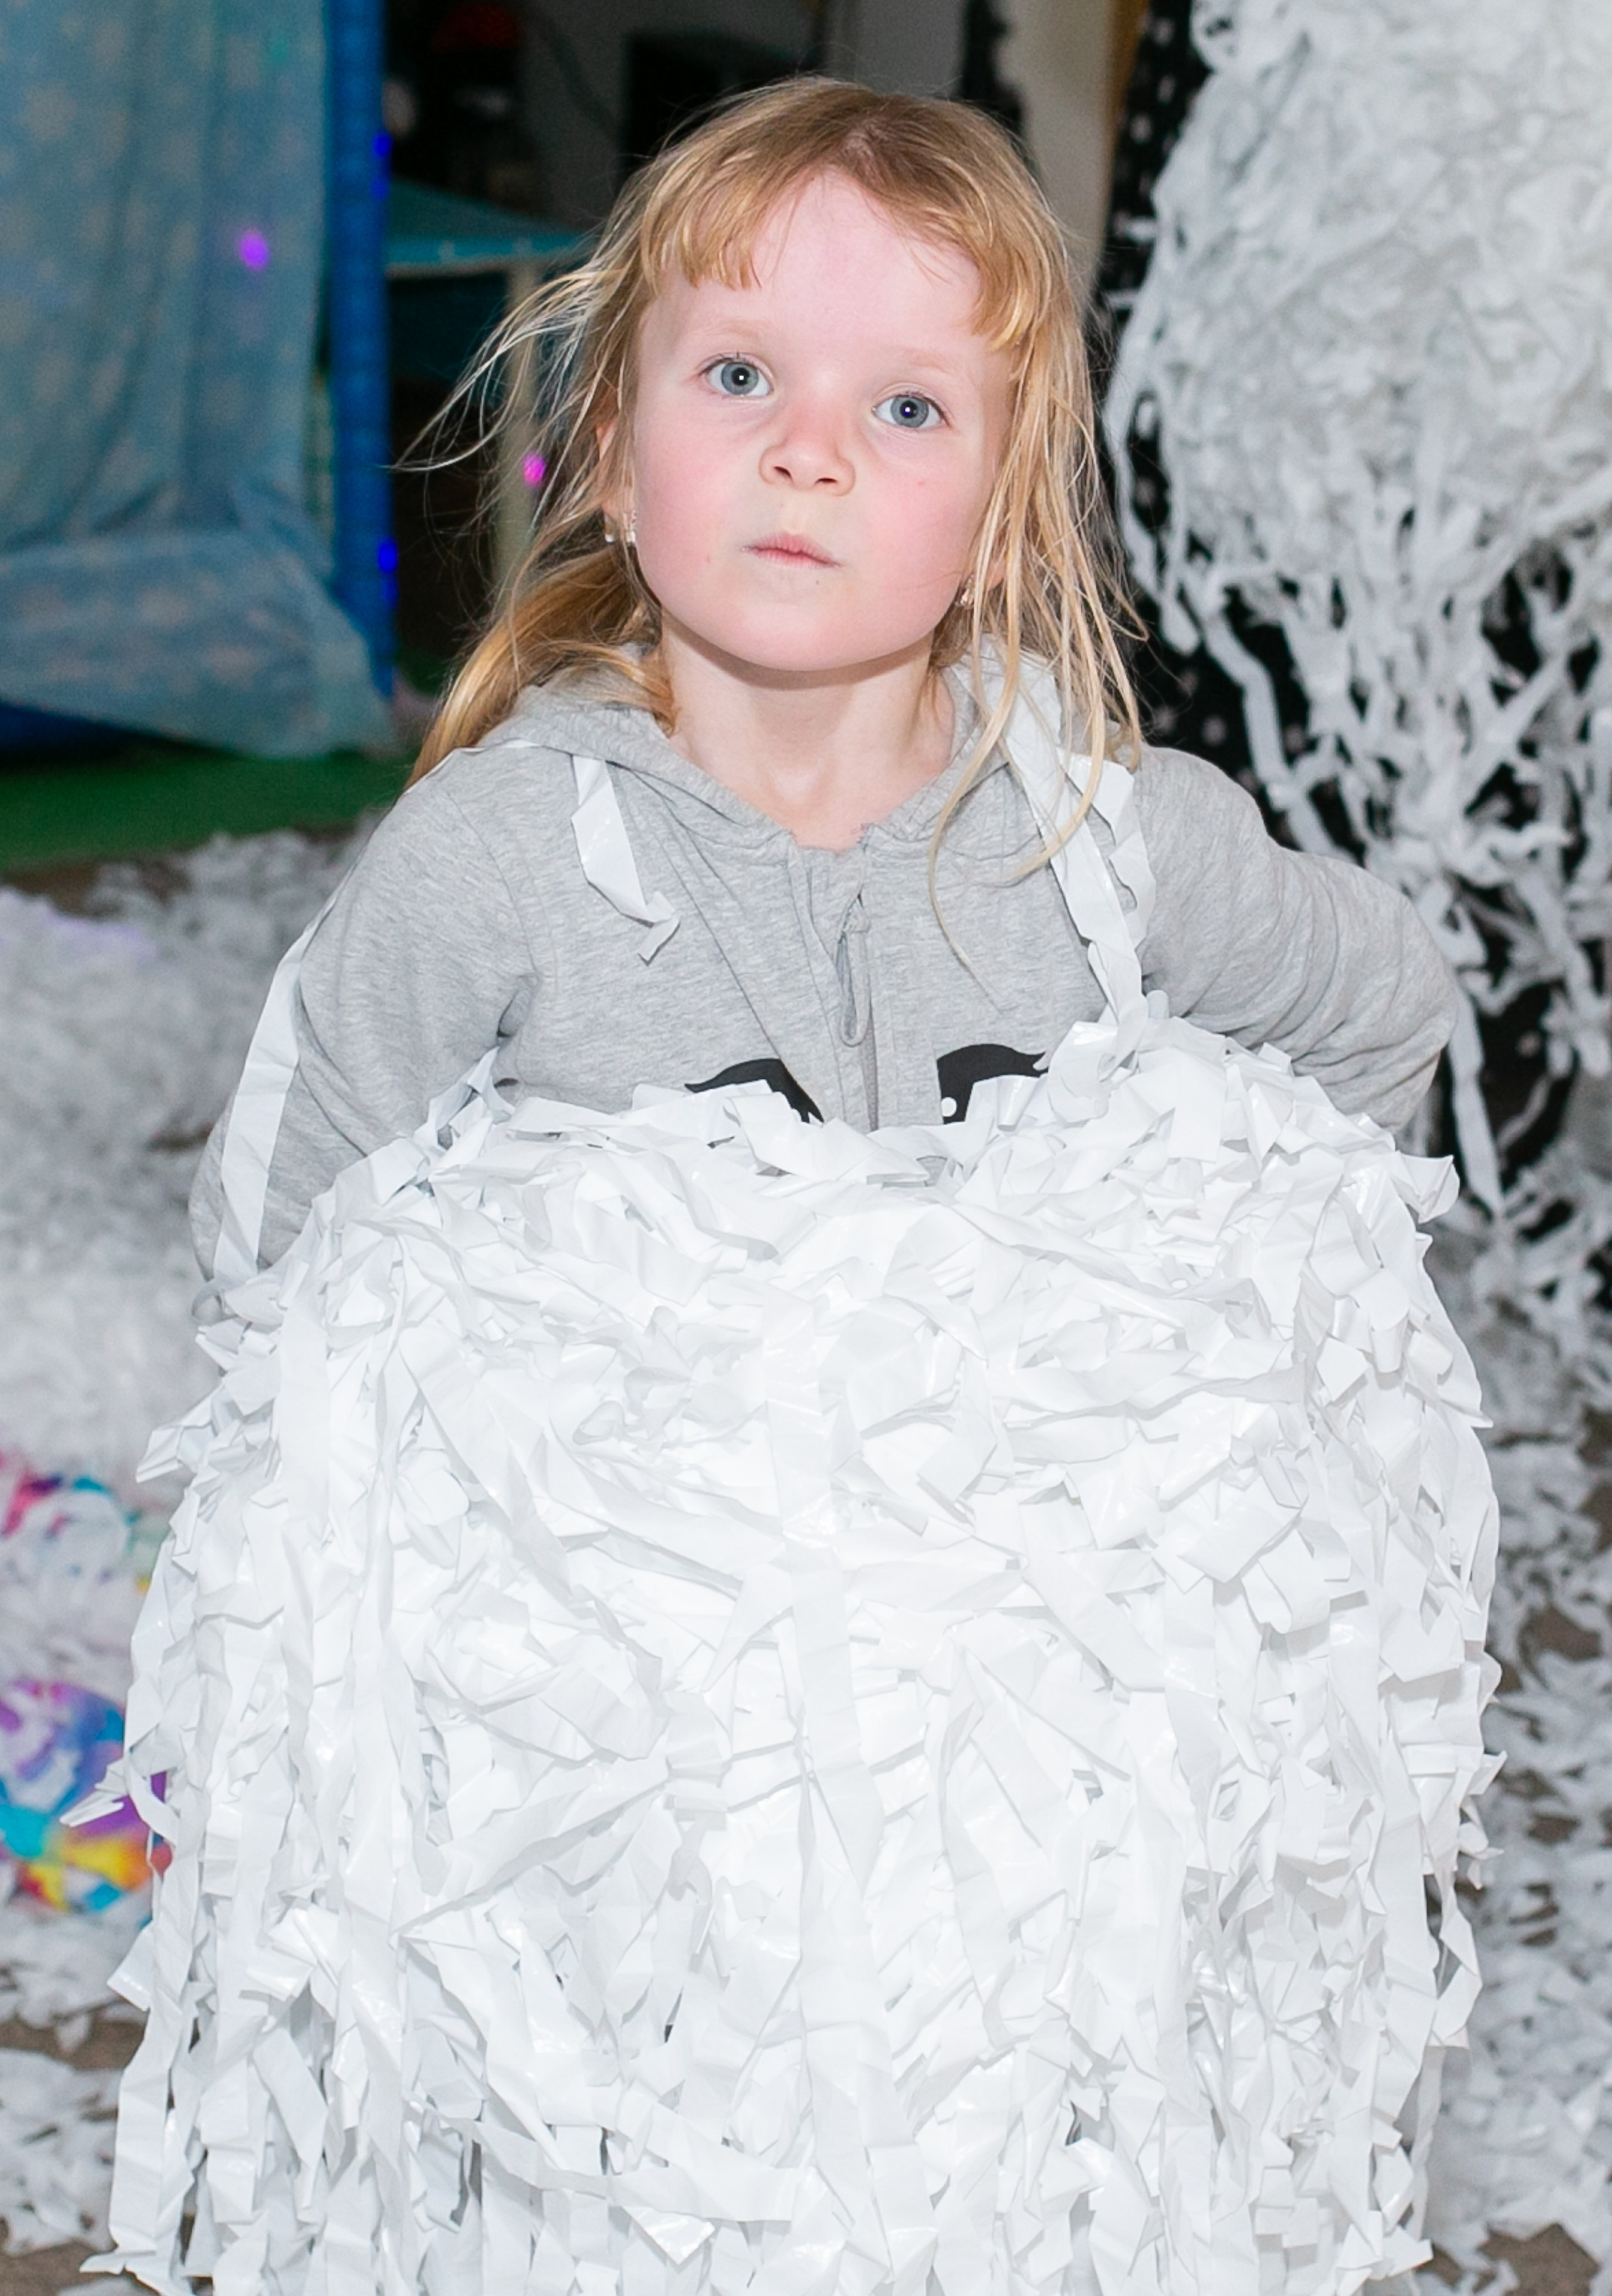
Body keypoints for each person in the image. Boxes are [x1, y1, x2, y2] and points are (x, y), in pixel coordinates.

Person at [108, 80, 1494, 2296]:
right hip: (632, 1773)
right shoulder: (506, 857)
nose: (809, 451)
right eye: (740, 374)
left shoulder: (1105, 839)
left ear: (1008, 505)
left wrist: (1258, 1362)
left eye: (907, 405)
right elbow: (284, 1206)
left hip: (1033, 1766)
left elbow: (1384, 1013)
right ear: (607, 443)